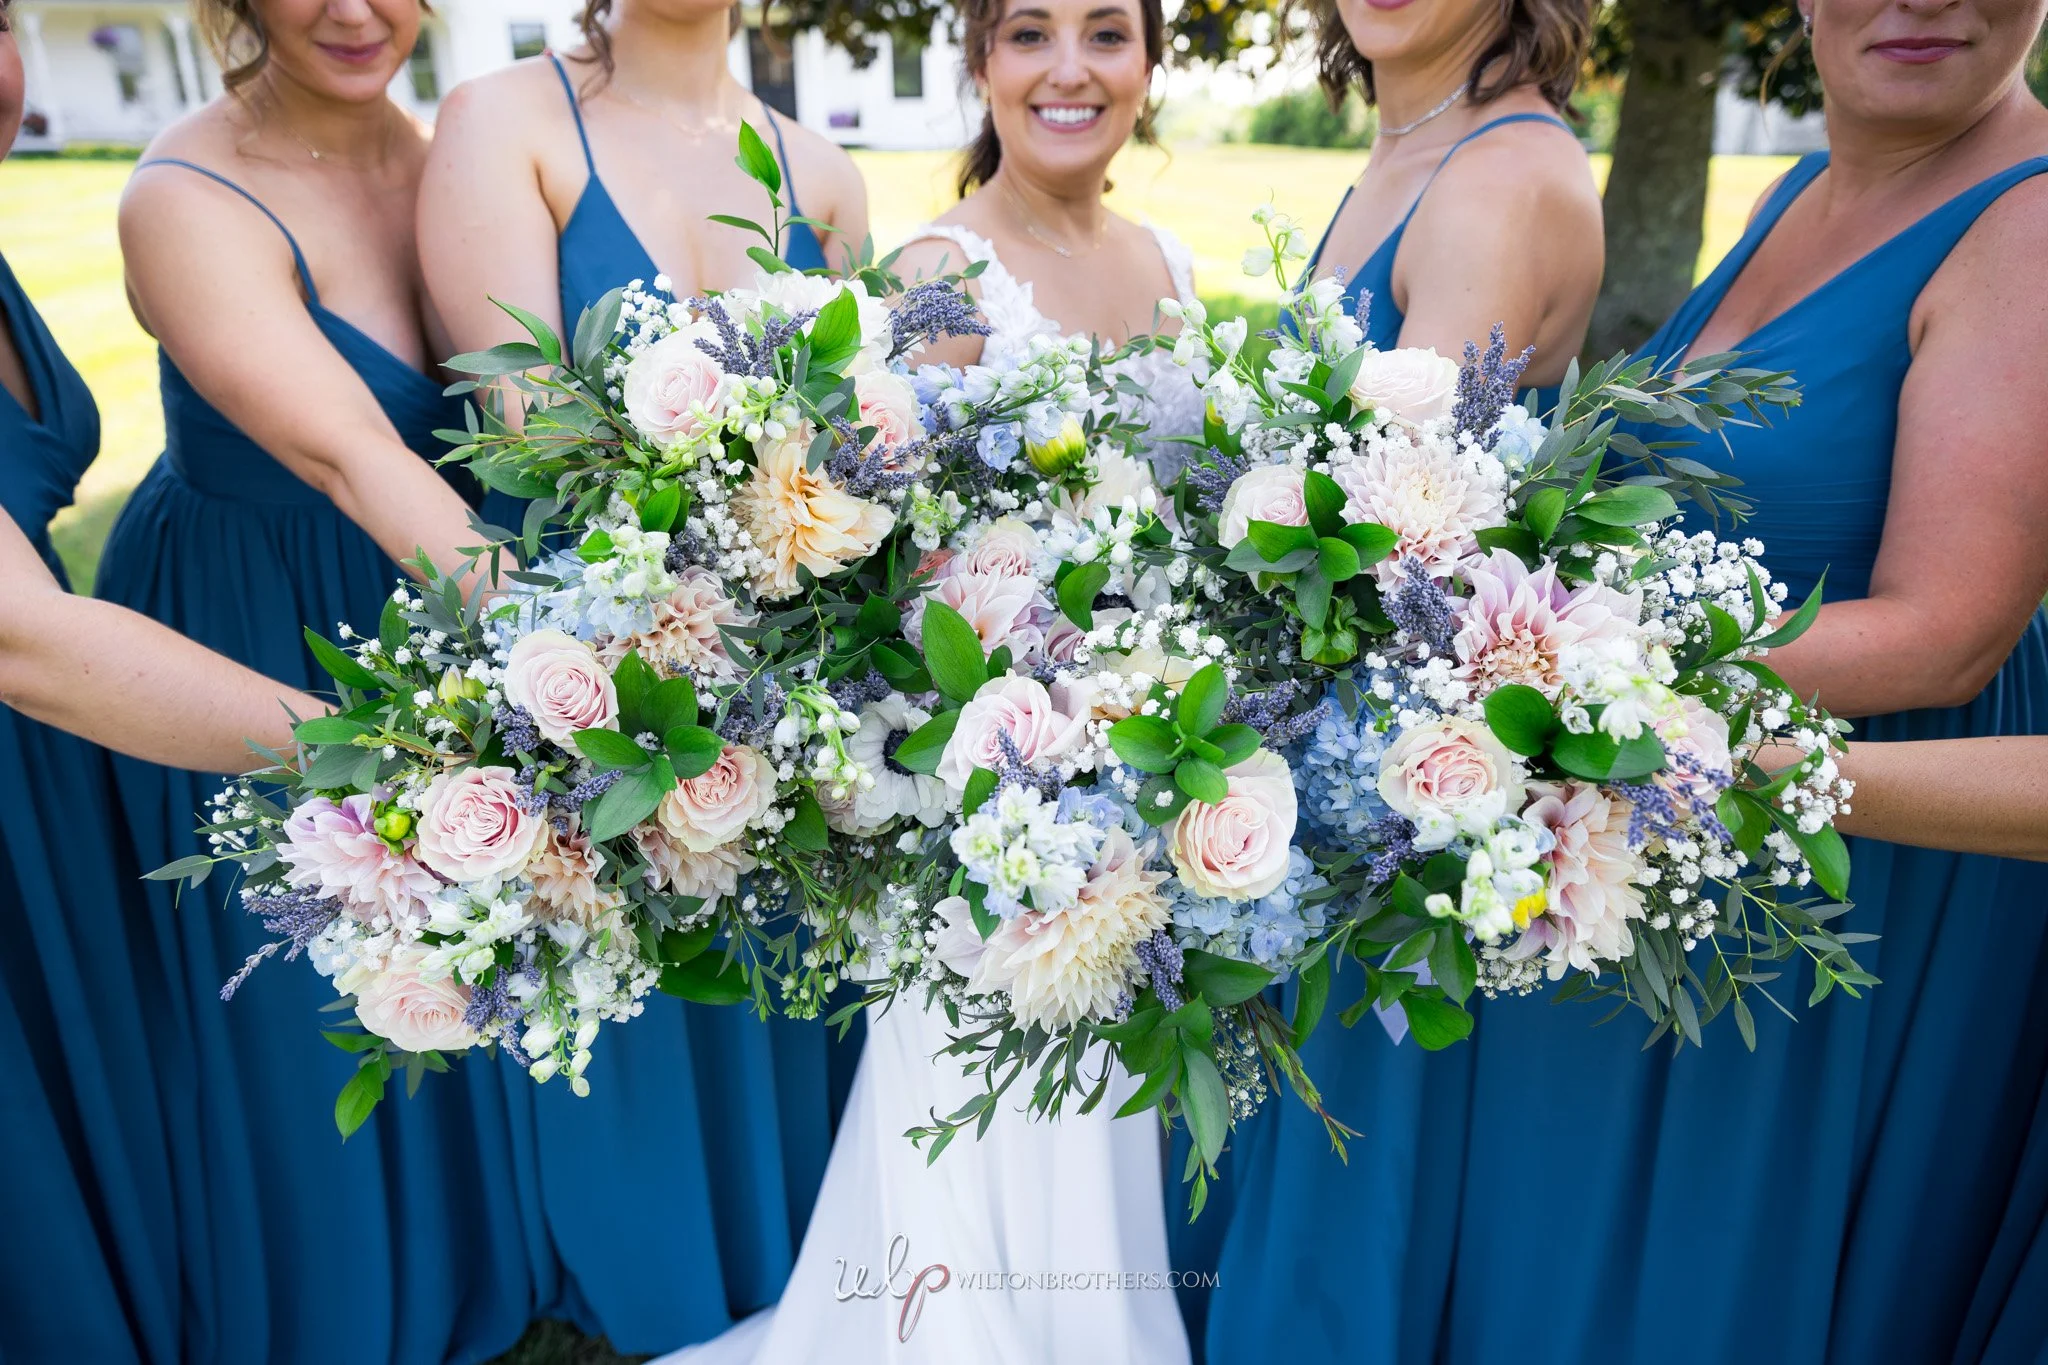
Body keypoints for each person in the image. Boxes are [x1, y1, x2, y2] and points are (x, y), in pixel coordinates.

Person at [1232, 1, 2048, 1361]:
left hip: (1843, 856)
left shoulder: (2027, 228)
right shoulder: (1801, 189)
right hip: (1664, 802)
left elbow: (1945, 634)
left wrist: (1575, 665)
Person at [655, 2, 1198, 1360]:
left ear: (1149, 64)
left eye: (1108, 34)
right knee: (985, 1116)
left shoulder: (1169, 263)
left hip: (1131, 773)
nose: (1069, 69)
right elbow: (857, 550)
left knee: (1097, 1104)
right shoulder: (943, 272)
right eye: (1029, 34)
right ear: (980, 64)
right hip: (972, 789)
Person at [88, 0, 543, 1360]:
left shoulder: (459, 154)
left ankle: (494, 1249)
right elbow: (350, 451)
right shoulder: (183, 197)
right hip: (258, 617)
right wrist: (562, 649)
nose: (356, 12)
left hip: (431, 592)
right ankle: (338, 1301)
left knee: (463, 939)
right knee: (304, 983)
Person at [415, 3, 871, 1352]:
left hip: (790, 667)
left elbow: (864, 444)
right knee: (634, 1003)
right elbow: (523, 432)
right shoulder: (505, 122)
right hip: (590, 661)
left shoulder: (819, 171)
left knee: (782, 978)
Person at [1179, 1, 1603, 1358]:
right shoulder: (1414, 143)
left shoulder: (1496, 179)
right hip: (1339, 739)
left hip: (1395, 770)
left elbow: (1397, 531)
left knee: (1350, 1198)